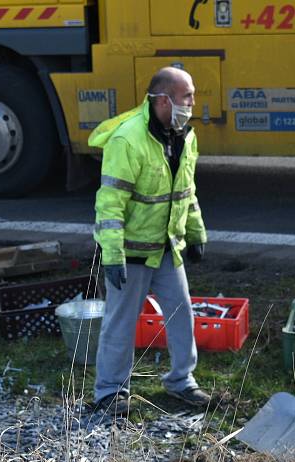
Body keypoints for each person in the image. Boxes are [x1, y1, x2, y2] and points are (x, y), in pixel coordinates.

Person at [89, 66, 210, 416]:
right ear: (162, 100)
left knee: (181, 314)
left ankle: (181, 382)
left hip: (167, 248)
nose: (192, 103)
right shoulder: (128, 141)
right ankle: (110, 392)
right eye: (186, 97)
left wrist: (195, 231)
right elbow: (109, 204)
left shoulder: (185, 136)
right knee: (121, 324)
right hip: (130, 253)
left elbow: (187, 190)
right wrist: (112, 256)